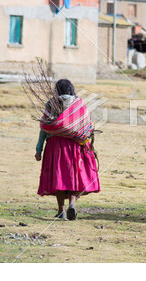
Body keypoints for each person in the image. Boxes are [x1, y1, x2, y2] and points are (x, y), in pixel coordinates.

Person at [35, 79, 100, 221]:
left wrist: (38, 149)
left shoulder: (52, 103)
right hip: (75, 145)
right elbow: (87, 125)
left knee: (58, 177)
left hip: (55, 145)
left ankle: (61, 210)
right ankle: (72, 204)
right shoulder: (79, 104)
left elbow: (44, 128)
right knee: (73, 176)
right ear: (71, 89)